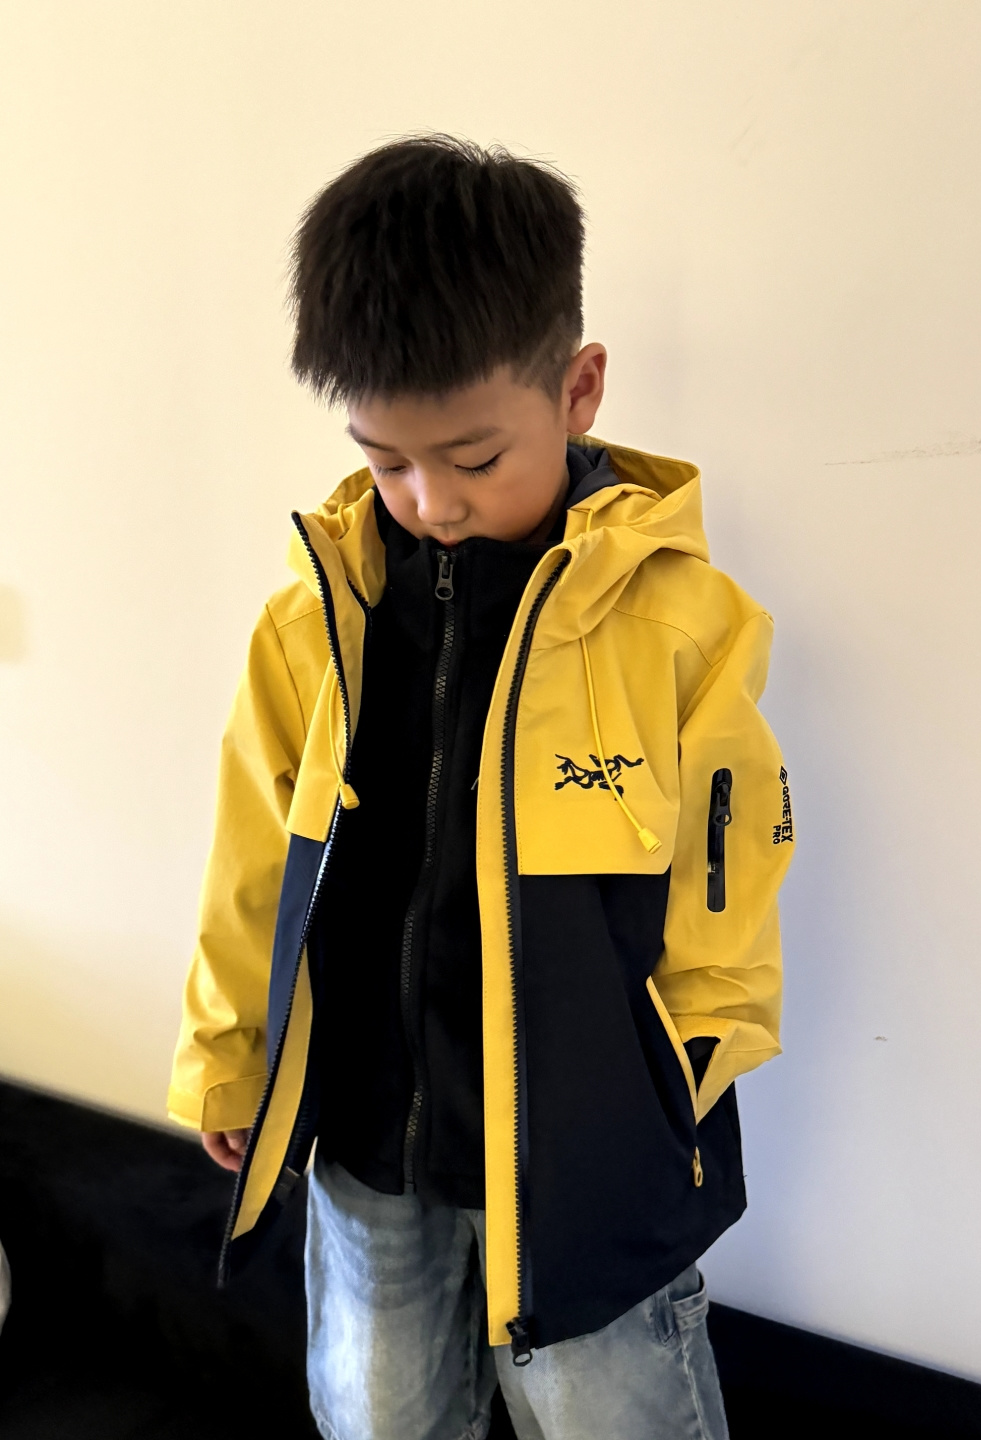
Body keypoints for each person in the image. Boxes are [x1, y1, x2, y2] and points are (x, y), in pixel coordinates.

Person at [169, 135, 794, 1440]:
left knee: (609, 1412)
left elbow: (730, 871)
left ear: (578, 390)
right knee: (375, 1408)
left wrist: (681, 1072)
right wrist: (228, 1054)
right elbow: (254, 853)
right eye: (387, 462)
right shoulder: (317, 620)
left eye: (471, 457)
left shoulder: (682, 625)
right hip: (368, 1142)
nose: (430, 502)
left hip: (580, 1149)